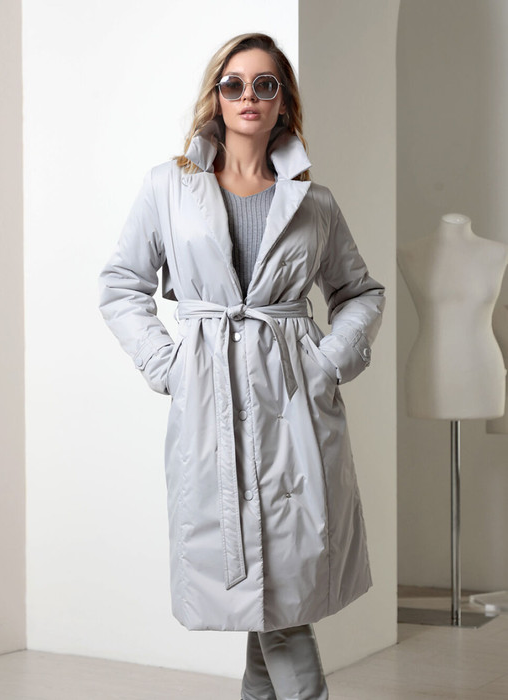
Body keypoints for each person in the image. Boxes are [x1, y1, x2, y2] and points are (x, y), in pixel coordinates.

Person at [98, 32, 385, 700]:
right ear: (216, 96)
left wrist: (326, 363)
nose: (248, 96)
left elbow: (359, 292)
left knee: (280, 590)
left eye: (264, 84)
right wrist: (169, 365)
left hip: (294, 404)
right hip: (212, 400)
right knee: (269, 591)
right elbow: (121, 285)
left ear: (283, 100)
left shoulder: (314, 202)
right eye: (234, 83)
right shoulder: (169, 186)